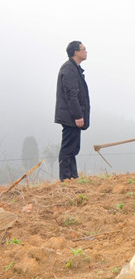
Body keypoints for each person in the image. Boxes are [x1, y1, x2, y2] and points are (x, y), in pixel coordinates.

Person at [54, 41, 90, 182]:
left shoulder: (75, 68)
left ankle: (72, 176)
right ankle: (65, 178)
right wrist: (78, 115)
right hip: (70, 116)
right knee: (68, 147)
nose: (86, 51)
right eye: (84, 49)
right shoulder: (69, 69)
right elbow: (71, 94)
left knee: (73, 146)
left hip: (71, 115)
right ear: (76, 52)